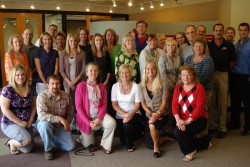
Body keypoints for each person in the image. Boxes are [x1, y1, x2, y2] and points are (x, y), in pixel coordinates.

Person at [172, 64, 212, 162]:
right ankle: (205, 141)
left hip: (198, 120)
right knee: (180, 132)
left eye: (188, 75)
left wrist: (186, 122)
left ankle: (190, 151)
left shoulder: (199, 88)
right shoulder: (178, 88)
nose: (186, 77)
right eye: (183, 75)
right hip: (181, 119)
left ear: (193, 75)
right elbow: (174, 106)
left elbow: (199, 109)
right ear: (180, 76)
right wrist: (178, 121)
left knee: (178, 132)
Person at [75, 63, 116, 154]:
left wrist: (98, 119)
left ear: (98, 73)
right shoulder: (81, 86)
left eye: (95, 70)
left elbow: (104, 105)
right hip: (85, 119)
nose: (93, 72)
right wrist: (88, 122)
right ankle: (83, 138)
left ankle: (104, 144)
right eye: (91, 70)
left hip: (98, 116)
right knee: (91, 146)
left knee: (111, 123)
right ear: (86, 73)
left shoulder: (101, 86)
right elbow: (78, 107)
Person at [36, 74, 75, 160]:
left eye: (57, 83)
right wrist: (60, 119)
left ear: (60, 84)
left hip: (59, 126)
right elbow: (42, 115)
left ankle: (50, 139)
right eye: (52, 83)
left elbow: (70, 113)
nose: (55, 86)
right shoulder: (42, 96)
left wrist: (67, 123)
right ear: (48, 84)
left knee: (71, 146)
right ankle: (48, 149)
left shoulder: (65, 95)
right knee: (45, 125)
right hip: (45, 123)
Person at [207, 23, 236, 138]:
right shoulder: (209, 45)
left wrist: (226, 70)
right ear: (213, 32)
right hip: (211, 74)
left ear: (223, 32)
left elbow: (233, 61)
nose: (218, 32)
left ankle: (222, 128)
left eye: (220, 30)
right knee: (212, 102)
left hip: (223, 75)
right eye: (216, 30)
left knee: (223, 102)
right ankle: (213, 126)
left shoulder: (229, 45)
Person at [0, 65, 36, 155]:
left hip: (26, 122)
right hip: (10, 123)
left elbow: (34, 105)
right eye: (17, 75)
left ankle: (19, 139)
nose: (20, 77)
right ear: (13, 76)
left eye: (23, 75)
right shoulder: (7, 90)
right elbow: (5, 109)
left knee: (27, 150)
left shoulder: (30, 89)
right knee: (26, 140)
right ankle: (11, 142)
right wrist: (19, 122)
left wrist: (31, 120)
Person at [140, 60, 173, 158]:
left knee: (151, 125)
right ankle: (163, 138)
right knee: (148, 145)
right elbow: (142, 103)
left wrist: (157, 113)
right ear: (145, 70)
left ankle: (156, 147)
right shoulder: (141, 85)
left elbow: (164, 102)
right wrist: (150, 112)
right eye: (148, 68)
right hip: (149, 115)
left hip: (162, 114)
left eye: (153, 68)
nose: (150, 70)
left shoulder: (163, 84)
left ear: (156, 70)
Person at [112, 64, 142, 152]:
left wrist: (129, 115)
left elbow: (137, 105)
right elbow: (114, 105)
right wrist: (124, 114)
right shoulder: (115, 87)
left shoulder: (136, 87)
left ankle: (130, 145)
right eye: (122, 72)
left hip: (134, 114)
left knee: (127, 124)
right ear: (119, 74)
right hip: (120, 115)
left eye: (127, 72)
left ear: (131, 74)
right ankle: (132, 138)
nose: (124, 75)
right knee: (123, 141)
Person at [60, 33, 86, 132]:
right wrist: (69, 82)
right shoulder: (63, 54)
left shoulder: (82, 53)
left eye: (75, 41)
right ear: (68, 42)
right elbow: (61, 70)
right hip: (67, 83)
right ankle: (71, 124)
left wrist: (75, 81)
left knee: (79, 104)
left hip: (79, 82)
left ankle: (79, 124)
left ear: (77, 42)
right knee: (69, 104)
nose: (73, 43)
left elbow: (84, 70)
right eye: (71, 41)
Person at [229, 22, 250, 136]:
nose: (243, 32)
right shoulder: (236, 44)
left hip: (246, 78)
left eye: (245, 30)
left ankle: (248, 127)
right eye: (241, 30)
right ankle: (235, 123)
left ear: (248, 31)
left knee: (247, 104)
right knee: (235, 103)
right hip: (234, 77)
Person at [185, 35, 214, 113]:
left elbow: (205, 77)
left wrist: (191, 86)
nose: (198, 48)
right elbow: (184, 74)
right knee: (190, 112)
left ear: (204, 47)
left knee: (202, 113)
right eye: (196, 46)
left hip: (204, 91)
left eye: (201, 46)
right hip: (189, 91)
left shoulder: (208, 59)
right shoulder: (188, 58)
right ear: (193, 47)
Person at [158, 38, 181, 132]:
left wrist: (178, 84)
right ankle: (167, 127)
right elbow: (162, 74)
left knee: (176, 106)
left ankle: (175, 126)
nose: (171, 47)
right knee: (168, 106)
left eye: (173, 45)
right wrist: (172, 86)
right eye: (168, 45)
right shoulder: (162, 58)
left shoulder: (178, 58)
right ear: (165, 47)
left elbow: (180, 72)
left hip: (178, 85)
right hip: (167, 86)